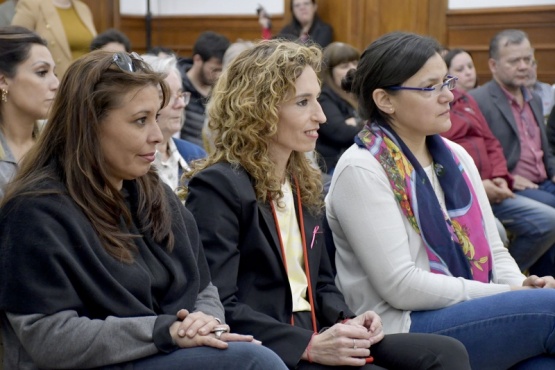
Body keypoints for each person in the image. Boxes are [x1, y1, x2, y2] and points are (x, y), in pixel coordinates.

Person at [185, 39, 471, 370]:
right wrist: (307, 345)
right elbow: (220, 302)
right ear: (258, 110)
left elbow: (320, 284)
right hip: (271, 347)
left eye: (317, 100)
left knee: (446, 353)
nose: (320, 116)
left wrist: (349, 318)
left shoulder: (303, 181)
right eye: (303, 102)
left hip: (318, 333)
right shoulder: (218, 186)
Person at [0, 50, 288, 370]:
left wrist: (205, 322)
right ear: (89, 124)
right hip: (99, 364)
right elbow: (48, 337)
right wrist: (163, 331)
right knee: (252, 362)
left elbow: (203, 286)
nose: (156, 134)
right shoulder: (34, 212)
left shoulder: (151, 191)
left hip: (162, 349)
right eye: (140, 120)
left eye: (156, 117)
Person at [326, 31, 555, 369]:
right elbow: (401, 286)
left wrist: (521, 283)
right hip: (402, 327)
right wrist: (510, 296)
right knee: (550, 310)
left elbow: (495, 251)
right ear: (385, 100)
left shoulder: (456, 156)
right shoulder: (361, 169)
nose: (449, 95)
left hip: (465, 307)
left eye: (446, 81)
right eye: (430, 87)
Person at [441, 82, 555, 276]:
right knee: (498, 233)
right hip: (462, 192)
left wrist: (500, 176)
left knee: (549, 220)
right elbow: (442, 157)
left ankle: (508, 277)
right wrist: (479, 185)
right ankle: (491, 281)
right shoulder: (434, 112)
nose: (447, 93)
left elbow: (490, 141)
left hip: (495, 187)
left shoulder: (465, 99)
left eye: (446, 80)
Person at [469, 29, 555, 209]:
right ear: (493, 65)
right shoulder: (478, 100)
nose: (524, 66)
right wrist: (508, 178)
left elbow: (545, 150)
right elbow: (474, 154)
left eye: (528, 59)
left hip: (545, 180)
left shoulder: (535, 99)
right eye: (515, 61)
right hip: (511, 186)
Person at [0, 26, 59, 199]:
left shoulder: (59, 141)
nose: (56, 84)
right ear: (3, 81)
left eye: (54, 73)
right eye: (42, 72)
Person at [141, 54, 206, 190]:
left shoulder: (197, 156)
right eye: (167, 96)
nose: (181, 104)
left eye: (181, 94)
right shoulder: (135, 162)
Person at [11, 0, 96, 79]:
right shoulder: (31, 4)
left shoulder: (83, 8)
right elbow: (15, 44)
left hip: (86, 83)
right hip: (54, 84)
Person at [177, 31, 230, 147]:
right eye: (214, 69)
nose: (219, 75)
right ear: (197, 60)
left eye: (222, 70)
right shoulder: (178, 87)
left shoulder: (222, 90)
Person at [317, 41, 362, 174]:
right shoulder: (324, 96)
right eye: (344, 66)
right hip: (334, 164)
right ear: (330, 72)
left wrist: (355, 123)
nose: (353, 69)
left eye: (355, 63)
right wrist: (363, 124)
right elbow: (340, 132)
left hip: (355, 158)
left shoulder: (357, 93)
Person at [260, 0, 333, 48]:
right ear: (293, 11)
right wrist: (266, 28)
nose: (302, 8)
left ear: (314, 6)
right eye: (297, 5)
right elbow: (271, 48)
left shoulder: (324, 30)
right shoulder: (286, 30)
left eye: (306, 3)